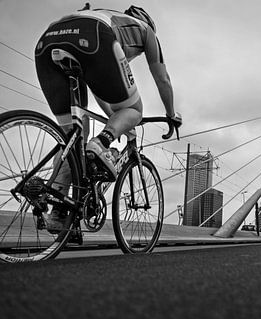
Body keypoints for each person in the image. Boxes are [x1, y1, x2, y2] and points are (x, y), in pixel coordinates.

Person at [34, 4, 180, 232]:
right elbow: (163, 79)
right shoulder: (146, 31)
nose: (136, 55)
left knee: (72, 141)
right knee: (136, 110)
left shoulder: (107, 15)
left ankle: (58, 210)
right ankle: (100, 144)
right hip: (95, 36)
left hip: (47, 41)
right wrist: (171, 114)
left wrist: (117, 119)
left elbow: (100, 92)